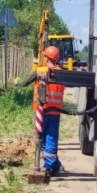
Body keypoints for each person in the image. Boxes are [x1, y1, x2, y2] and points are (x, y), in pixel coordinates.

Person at [35, 45, 66, 178]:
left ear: (46, 57)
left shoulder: (40, 70)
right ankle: (55, 165)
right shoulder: (62, 73)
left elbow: (27, 80)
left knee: (42, 139)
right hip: (55, 112)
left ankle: (49, 166)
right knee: (51, 138)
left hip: (42, 112)